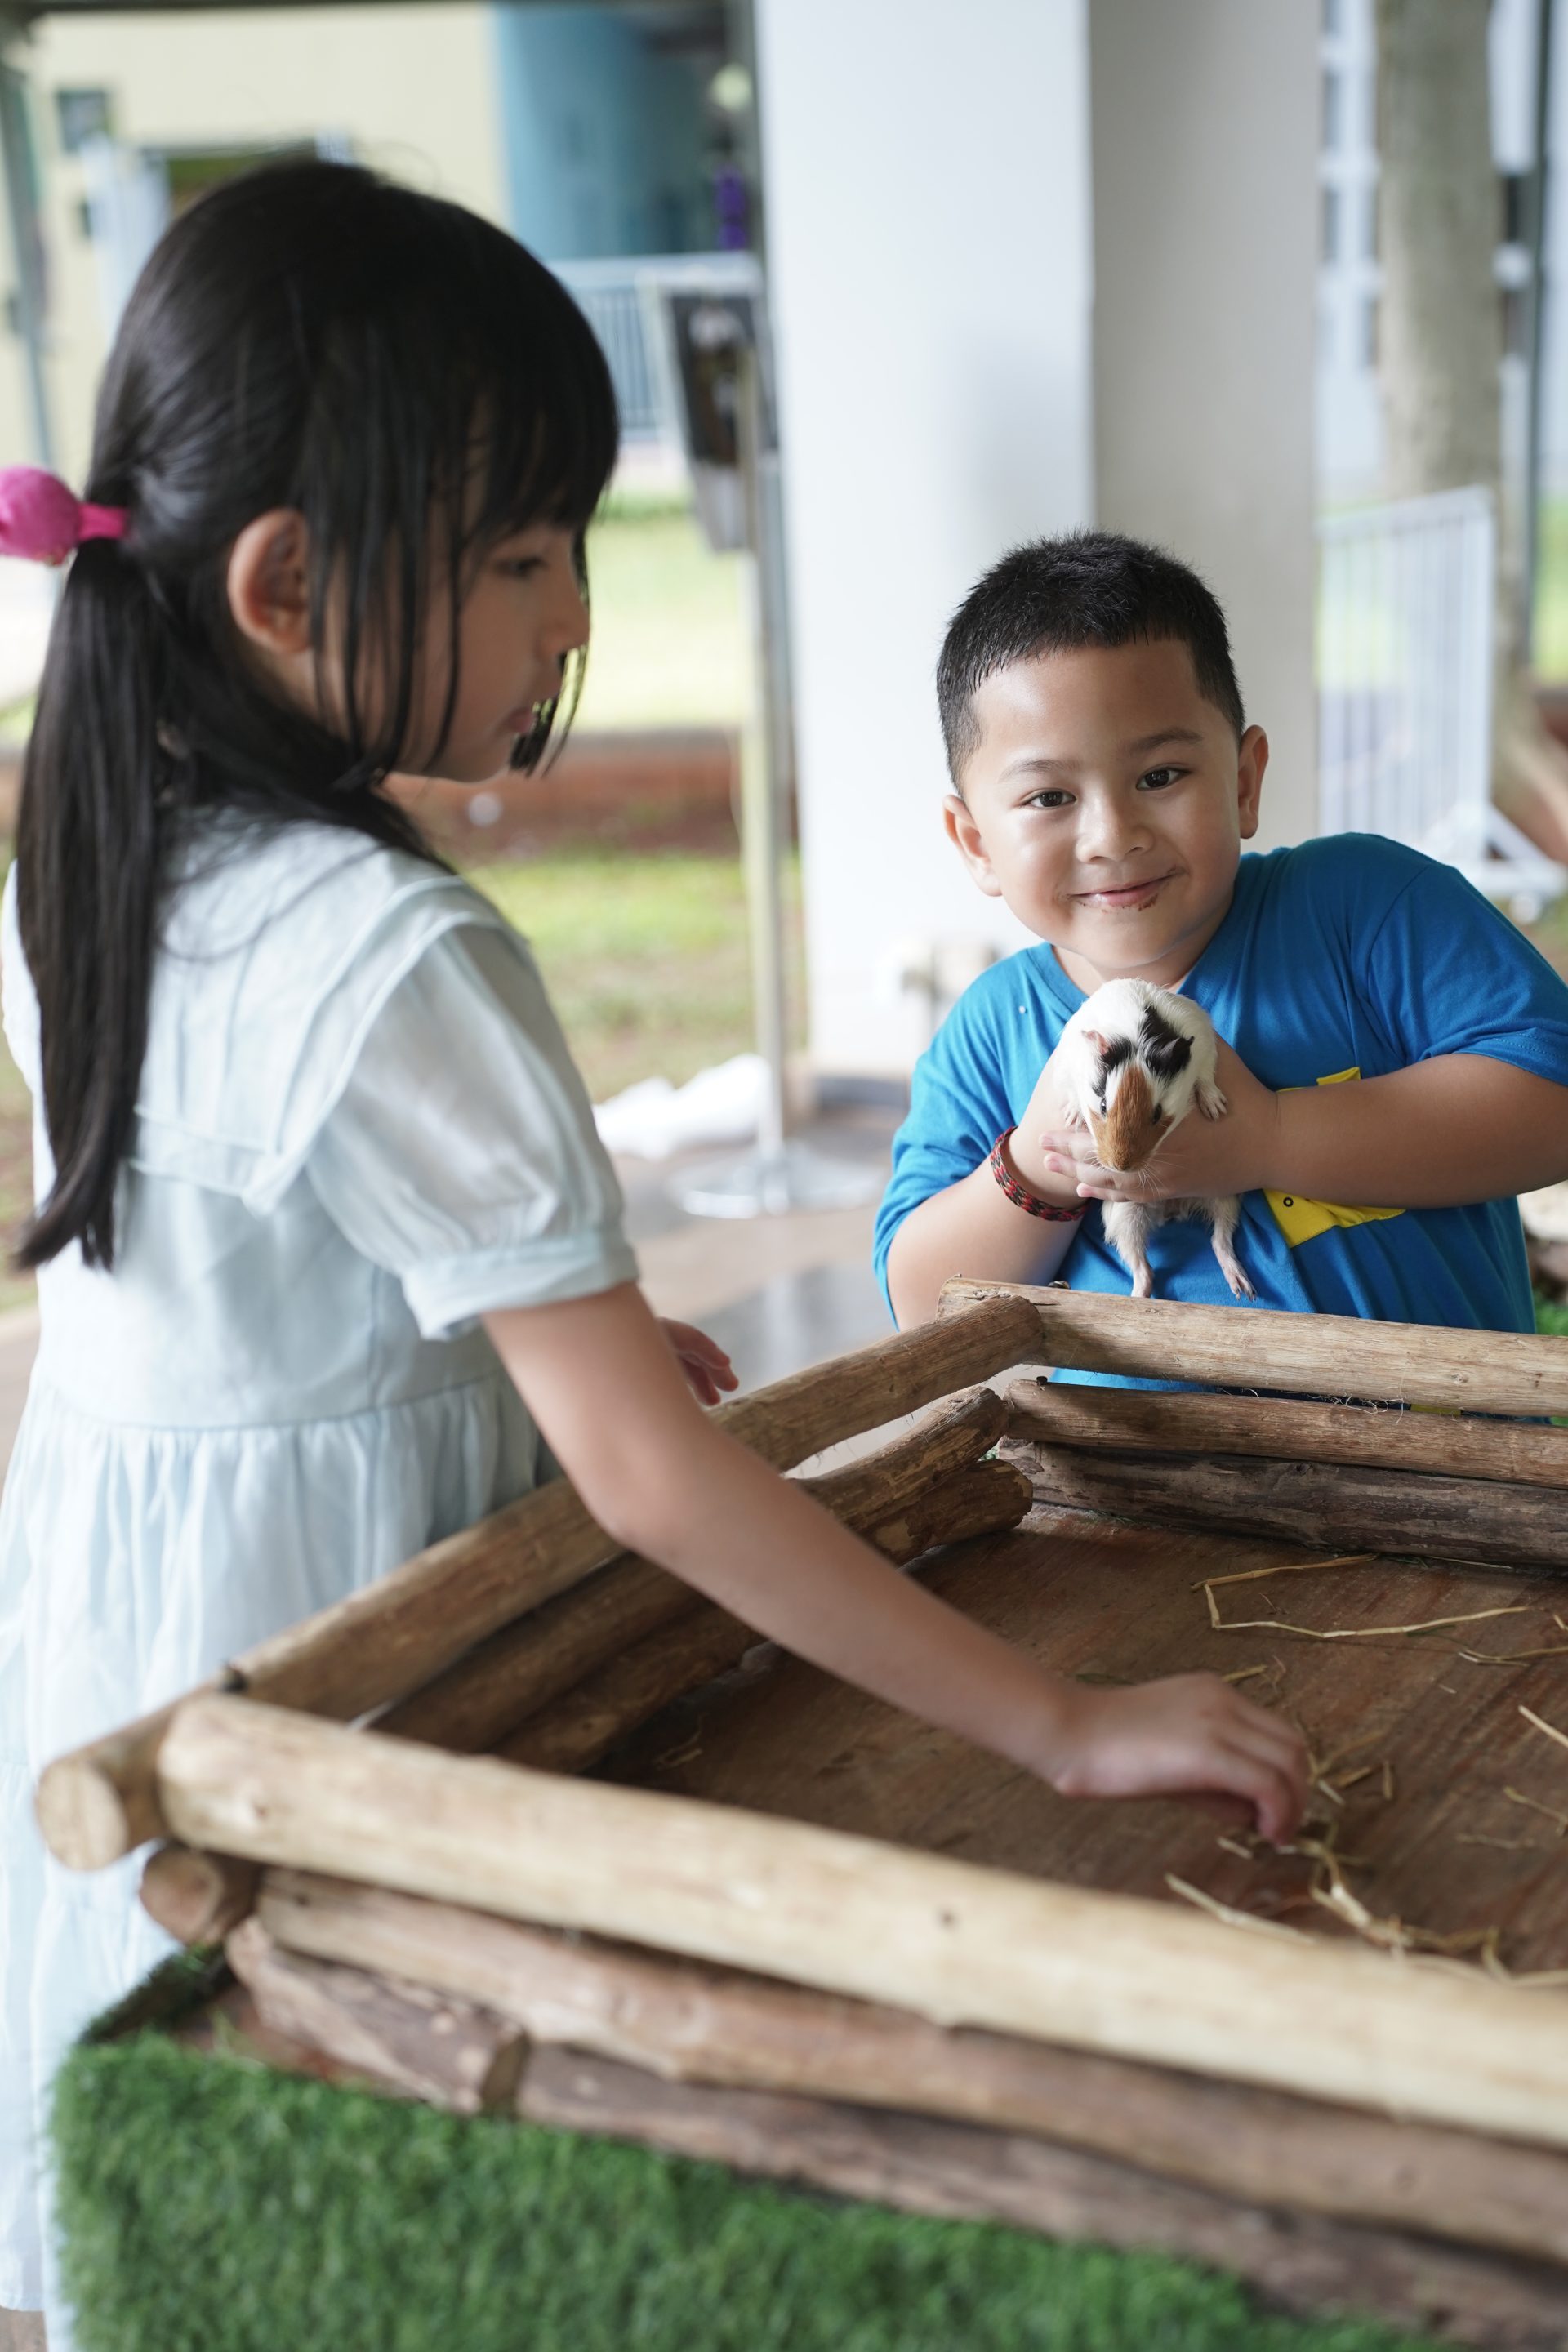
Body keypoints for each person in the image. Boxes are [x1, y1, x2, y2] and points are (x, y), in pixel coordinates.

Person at [0, 168, 1307, 2339]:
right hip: (350, 1657)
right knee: (400, 2169)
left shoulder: (107, 829)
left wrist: (552, 1348)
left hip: (124, 1614)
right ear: (290, 585)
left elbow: (279, 1270)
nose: (569, 616)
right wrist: (1063, 1726)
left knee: (201, 2183)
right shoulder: (393, 945)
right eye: (523, 552)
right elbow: (643, 1480)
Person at [879, 532, 1568, 1341]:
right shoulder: (997, 1028)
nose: (1112, 834)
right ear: (975, 843)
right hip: (1131, 1465)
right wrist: (1035, 1169)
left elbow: (1550, 1101)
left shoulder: (1363, 906)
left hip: (1436, 1453)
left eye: (1160, 777)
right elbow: (920, 1303)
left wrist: (1268, 1137)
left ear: (1243, 782)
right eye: (1049, 798)